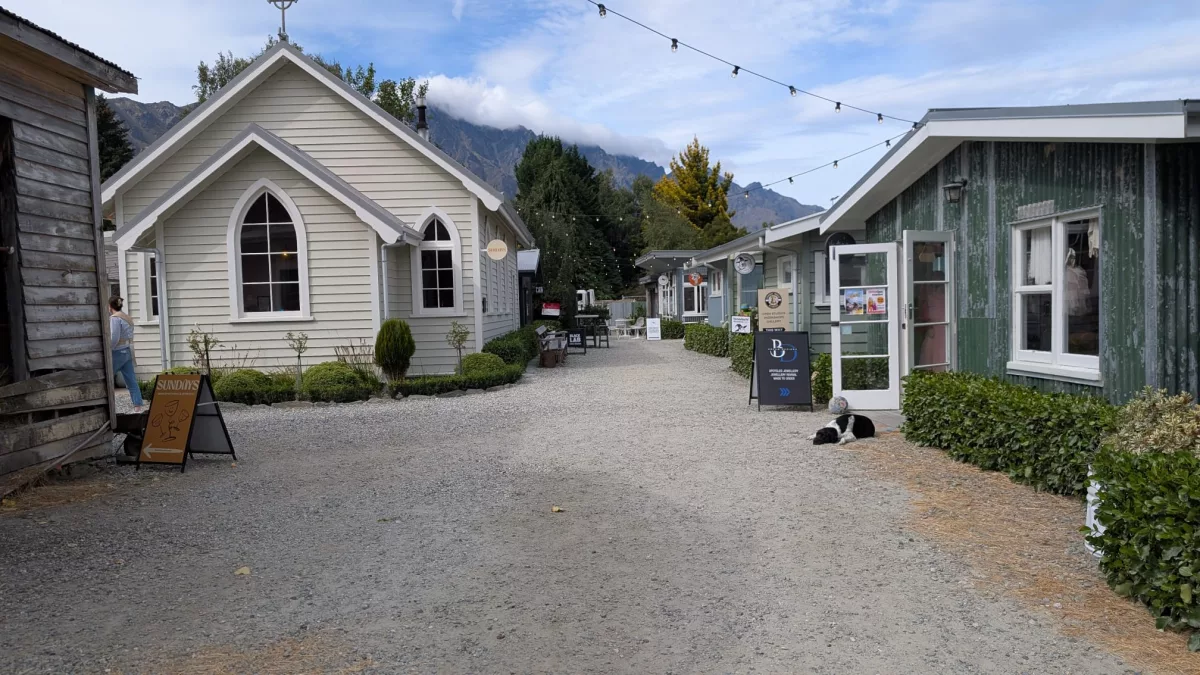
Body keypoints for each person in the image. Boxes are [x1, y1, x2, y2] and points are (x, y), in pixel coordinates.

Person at [109, 296, 143, 411]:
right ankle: (137, 405)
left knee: (108, 378)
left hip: (118, 351)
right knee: (131, 379)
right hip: (128, 350)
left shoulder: (115, 318)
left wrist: (109, 348)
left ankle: (108, 405)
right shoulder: (127, 317)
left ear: (110, 306)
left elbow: (114, 337)